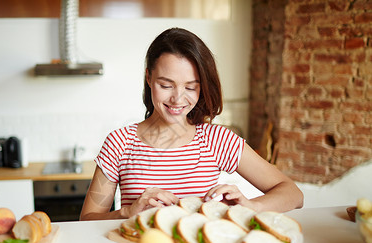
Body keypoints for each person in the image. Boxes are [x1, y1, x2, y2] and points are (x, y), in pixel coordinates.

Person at [80, 27, 303, 221]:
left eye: (190, 87)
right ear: (149, 78)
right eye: (166, 85)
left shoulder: (216, 140)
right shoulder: (119, 143)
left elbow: (293, 194)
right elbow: (87, 220)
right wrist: (127, 212)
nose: (178, 99)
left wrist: (253, 206)